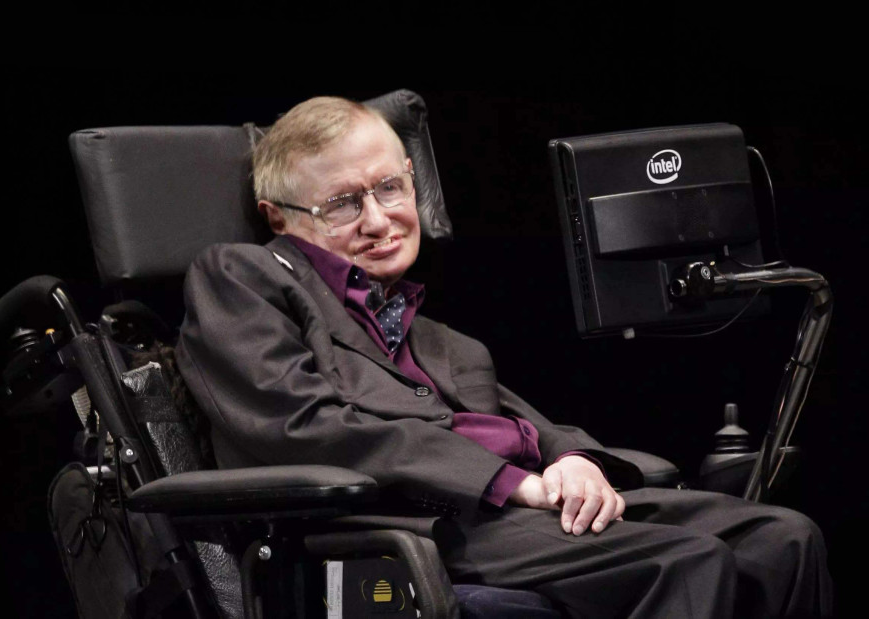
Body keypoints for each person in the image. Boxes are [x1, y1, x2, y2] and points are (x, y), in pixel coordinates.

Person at [175, 96, 832, 617]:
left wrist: (572, 460)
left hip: (506, 511)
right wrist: (511, 482)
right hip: (400, 523)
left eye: (390, 188)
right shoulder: (242, 277)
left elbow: (522, 423)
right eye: (344, 203)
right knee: (686, 561)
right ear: (279, 218)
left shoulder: (438, 338)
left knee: (783, 539)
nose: (378, 219)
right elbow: (301, 426)